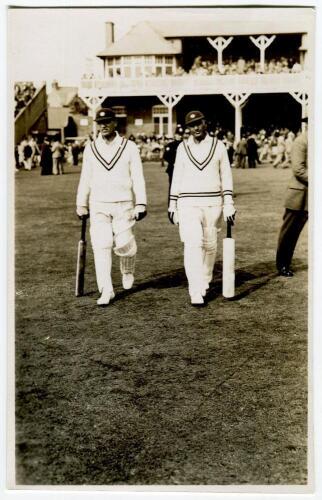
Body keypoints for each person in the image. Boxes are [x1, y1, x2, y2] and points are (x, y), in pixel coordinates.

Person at [76, 107, 147, 306]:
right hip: (98, 204)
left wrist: (141, 202)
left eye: (107, 121)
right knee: (101, 245)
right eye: (100, 123)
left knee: (125, 244)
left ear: (115, 123)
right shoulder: (91, 148)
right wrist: (81, 203)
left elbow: (138, 177)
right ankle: (106, 290)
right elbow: (86, 178)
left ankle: (127, 269)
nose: (104, 125)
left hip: (123, 203)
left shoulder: (129, 146)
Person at [168, 110, 236, 306]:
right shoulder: (182, 148)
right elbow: (177, 177)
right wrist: (173, 204)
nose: (195, 128)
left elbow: (226, 176)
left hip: (213, 202)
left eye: (198, 123)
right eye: (191, 125)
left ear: (205, 123)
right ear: (187, 128)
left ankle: (204, 279)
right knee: (193, 243)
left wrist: (228, 203)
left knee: (209, 245)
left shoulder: (219, 146)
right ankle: (195, 290)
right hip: (187, 202)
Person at [276, 120, 308, 277]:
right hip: (300, 195)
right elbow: (298, 169)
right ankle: (282, 264)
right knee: (290, 232)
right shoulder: (301, 141)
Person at [163, 124, 184, 194]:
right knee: (172, 187)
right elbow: (165, 156)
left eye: (181, 135)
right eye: (178, 134)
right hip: (172, 168)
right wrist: (173, 162)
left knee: (182, 187)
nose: (179, 136)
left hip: (182, 169)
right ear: (175, 135)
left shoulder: (185, 145)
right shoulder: (170, 145)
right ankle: (171, 204)